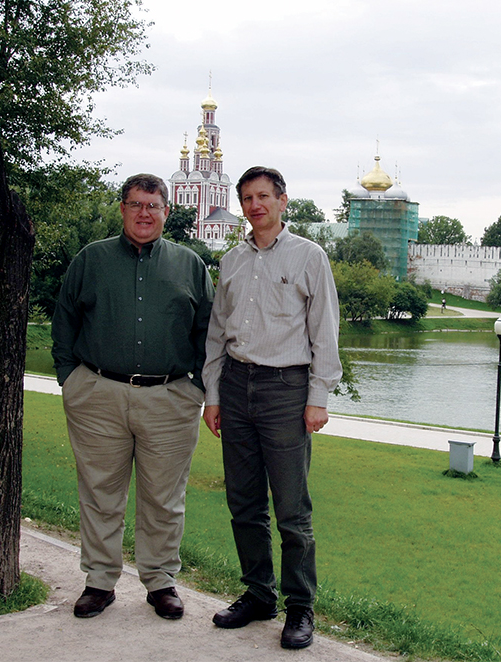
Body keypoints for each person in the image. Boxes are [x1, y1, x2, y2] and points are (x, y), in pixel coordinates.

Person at [52, 173, 214, 620]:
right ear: (122, 209)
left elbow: (208, 330)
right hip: (98, 394)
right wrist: (70, 376)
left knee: (164, 496)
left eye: (153, 206)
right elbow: (64, 316)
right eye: (136, 204)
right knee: (101, 492)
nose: (145, 213)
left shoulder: (190, 265)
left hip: (170, 397)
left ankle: (160, 580)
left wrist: (198, 386)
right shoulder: (92, 259)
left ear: (167, 211)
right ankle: (100, 581)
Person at [202, 166, 341, 650]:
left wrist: (317, 397)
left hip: (286, 388)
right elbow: (218, 333)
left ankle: (300, 607)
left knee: (291, 509)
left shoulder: (309, 256)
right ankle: (260, 594)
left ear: (283, 201)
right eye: (246, 198)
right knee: (243, 502)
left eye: (263, 196)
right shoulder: (232, 261)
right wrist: (214, 395)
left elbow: (324, 332)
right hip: (237, 386)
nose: (254, 205)